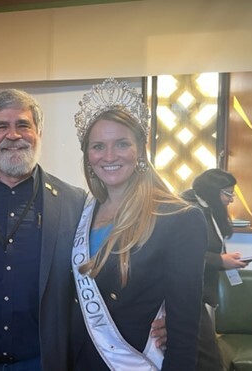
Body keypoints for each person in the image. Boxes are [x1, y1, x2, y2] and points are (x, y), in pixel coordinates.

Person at [0, 88, 167, 371]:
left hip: (46, 361)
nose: (13, 135)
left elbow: (110, 270)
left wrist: (166, 317)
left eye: (23, 125)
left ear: (38, 133)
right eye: (1, 126)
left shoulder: (75, 202)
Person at [70, 78, 207, 370]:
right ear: (88, 156)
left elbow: (184, 332)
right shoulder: (79, 211)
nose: (109, 156)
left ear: (140, 150)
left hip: (138, 361)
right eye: (98, 146)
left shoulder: (179, 219)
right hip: (80, 360)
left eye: (121, 144)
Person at [181, 169, 248, 371]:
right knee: (209, 358)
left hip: (197, 293)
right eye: (227, 193)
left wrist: (224, 260)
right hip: (184, 294)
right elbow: (182, 255)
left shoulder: (206, 209)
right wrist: (220, 261)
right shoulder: (188, 212)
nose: (231, 199)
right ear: (212, 191)